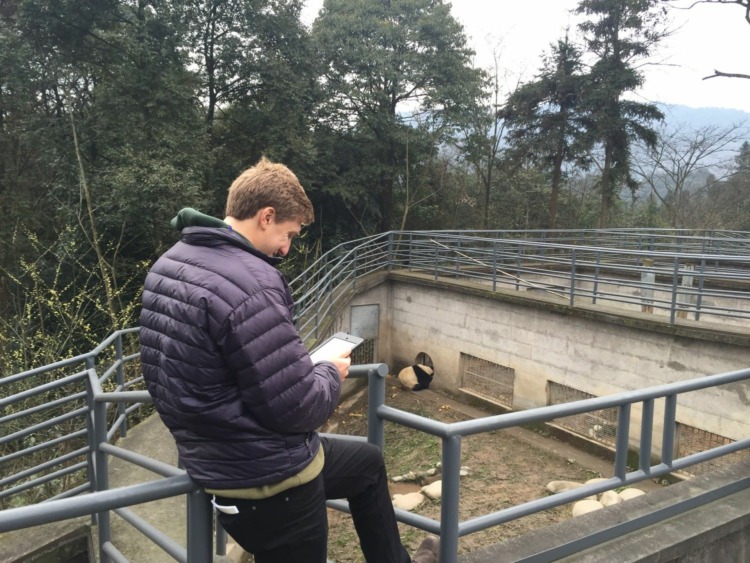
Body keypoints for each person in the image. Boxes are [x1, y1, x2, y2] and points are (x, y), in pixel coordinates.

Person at [139, 157, 440, 563]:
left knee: (367, 465)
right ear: (266, 216)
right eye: (289, 234)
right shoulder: (251, 280)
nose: (286, 248)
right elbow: (299, 408)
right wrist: (329, 372)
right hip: (271, 485)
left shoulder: (171, 263)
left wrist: (301, 370)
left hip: (219, 461)